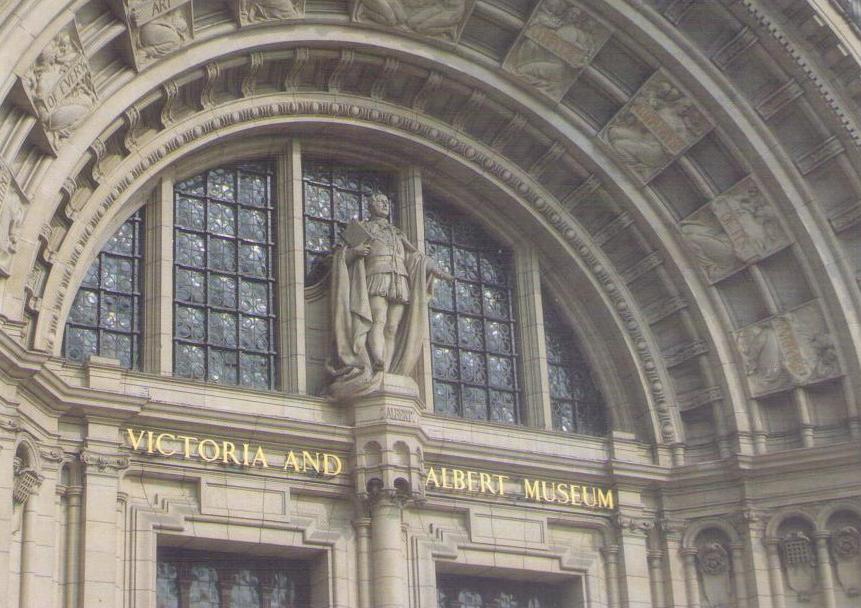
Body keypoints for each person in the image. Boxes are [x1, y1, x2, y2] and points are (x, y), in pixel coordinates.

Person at [328, 193, 451, 398]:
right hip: (376, 275)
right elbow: (339, 257)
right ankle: (377, 360)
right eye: (379, 201)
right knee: (378, 319)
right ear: (370, 206)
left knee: (392, 328)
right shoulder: (362, 228)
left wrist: (434, 269)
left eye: (386, 201)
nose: (384, 204)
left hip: (399, 278)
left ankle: (388, 369)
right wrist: (354, 252)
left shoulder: (397, 232)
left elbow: (415, 257)